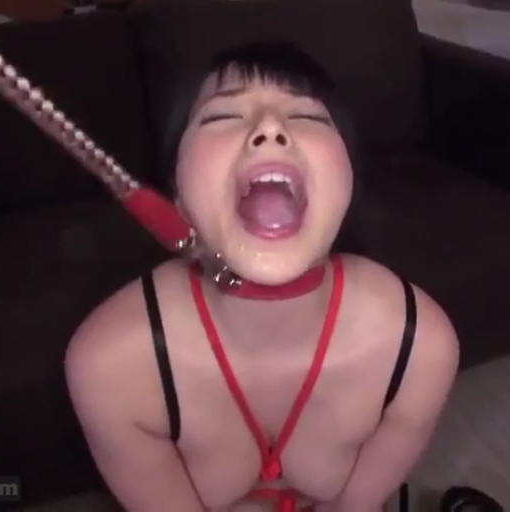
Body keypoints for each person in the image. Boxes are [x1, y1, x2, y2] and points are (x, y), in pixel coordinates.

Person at [64, 41, 460, 512]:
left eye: (307, 116)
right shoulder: (108, 367)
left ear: (349, 179)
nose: (270, 128)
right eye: (222, 116)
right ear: (177, 192)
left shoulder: (422, 349)